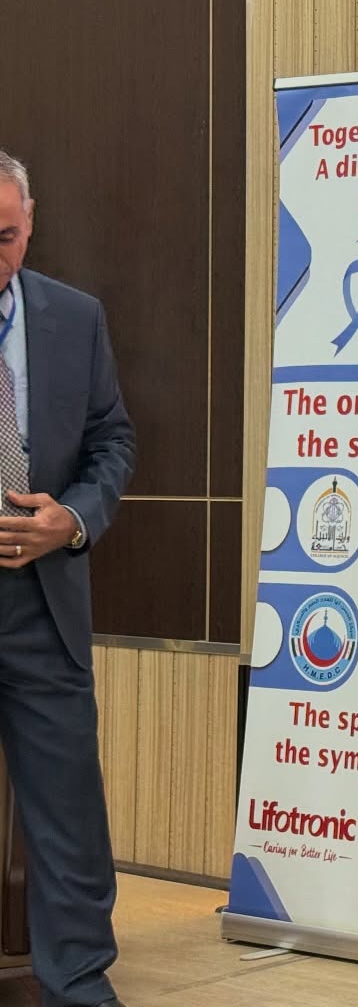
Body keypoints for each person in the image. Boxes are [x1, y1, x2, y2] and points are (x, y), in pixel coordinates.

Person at [0, 149, 136, 1007]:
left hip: (41, 602)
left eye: (5, 235)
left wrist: (74, 519)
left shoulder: (75, 317)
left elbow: (112, 440)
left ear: (30, 222)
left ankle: (79, 982)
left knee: (67, 810)